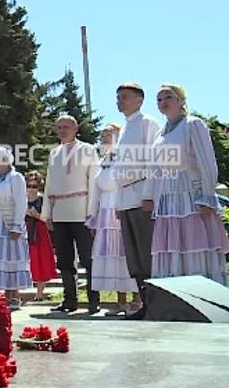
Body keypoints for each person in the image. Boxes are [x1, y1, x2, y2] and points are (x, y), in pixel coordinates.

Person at [146, 84, 229, 287]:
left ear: (181, 100)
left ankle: (204, 292)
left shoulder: (193, 124)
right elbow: (157, 170)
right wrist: (156, 200)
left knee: (194, 244)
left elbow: (207, 162)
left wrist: (207, 197)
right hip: (168, 199)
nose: (163, 102)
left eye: (168, 97)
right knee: (172, 246)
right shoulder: (159, 134)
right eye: (159, 99)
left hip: (191, 194)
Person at [112, 82, 162, 320]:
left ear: (139, 100)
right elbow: (118, 170)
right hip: (126, 200)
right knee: (134, 259)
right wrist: (118, 204)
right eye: (118, 97)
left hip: (142, 197)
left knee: (146, 254)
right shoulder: (123, 130)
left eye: (125, 97)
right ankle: (144, 304)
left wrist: (149, 195)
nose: (120, 101)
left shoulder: (148, 124)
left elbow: (153, 162)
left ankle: (156, 305)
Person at [42, 114, 100, 314]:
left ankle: (94, 300)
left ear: (76, 129)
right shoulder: (54, 153)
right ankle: (70, 300)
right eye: (59, 127)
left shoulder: (88, 150)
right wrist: (47, 214)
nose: (63, 130)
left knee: (88, 258)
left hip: (81, 210)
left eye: (67, 126)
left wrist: (92, 212)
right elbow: (49, 183)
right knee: (65, 259)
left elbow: (94, 181)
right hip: (60, 212)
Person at [88, 124, 139, 315]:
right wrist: (93, 216)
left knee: (127, 255)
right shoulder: (103, 162)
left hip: (120, 209)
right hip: (105, 214)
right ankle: (121, 302)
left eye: (108, 136)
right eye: (102, 136)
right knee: (113, 258)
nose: (104, 139)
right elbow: (96, 190)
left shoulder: (124, 159)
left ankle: (137, 300)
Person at [0, 147, 32, 310]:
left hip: (7, 222)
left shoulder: (15, 177)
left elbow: (20, 201)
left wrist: (17, 225)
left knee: (10, 258)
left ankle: (14, 296)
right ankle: (0, 297)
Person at [24, 171, 57, 302]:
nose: (31, 189)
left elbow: (48, 220)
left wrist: (36, 215)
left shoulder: (42, 199)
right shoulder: (21, 198)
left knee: (41, 261)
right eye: (29, 185)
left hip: (40, 231)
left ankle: (39, 293)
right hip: (25, 230)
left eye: (34, 186)